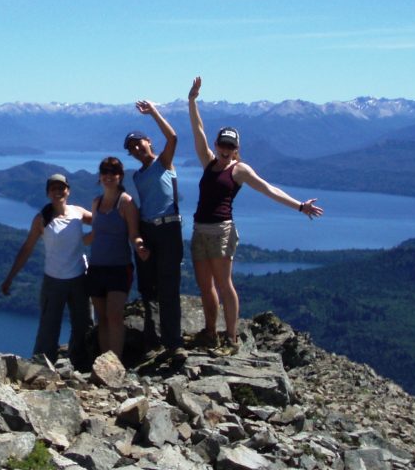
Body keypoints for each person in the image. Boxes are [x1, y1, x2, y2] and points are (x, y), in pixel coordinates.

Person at [187, 76, 324, 352]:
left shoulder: (239, 170)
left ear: (236, 150)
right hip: (200, 230)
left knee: (224, 284)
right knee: (205, 285)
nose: (225, 150)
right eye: (222, 145)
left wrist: (300, 206)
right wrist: (192, 100)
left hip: (222, 231)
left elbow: (268, 189)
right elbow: (198, 130)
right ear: (217, 145)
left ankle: (232, 338)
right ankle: (211, 333)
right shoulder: (209, 163)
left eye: (230, 147)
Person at [1, 173, 93, 368]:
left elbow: (104, 224)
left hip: (80, 278)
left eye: (61, 188)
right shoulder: (42, 219)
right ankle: (41, 369)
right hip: (54, 281)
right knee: (48, 329)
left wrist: (86, 240)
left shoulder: (78, 212)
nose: (58, 191)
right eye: (53, 188)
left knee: (83, 326)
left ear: (68, 190)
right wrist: (10, 277)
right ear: (48, 193)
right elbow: (27, 248)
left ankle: (83, 366)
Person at [124, 100, 184, 354]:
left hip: (169, 229)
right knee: (148, 287)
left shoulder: (164, 163)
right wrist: (137, 240)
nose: (137, 148)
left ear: (149, 140)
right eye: (131, 148)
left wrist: (153, 113)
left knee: (168, 286)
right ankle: (153, 340)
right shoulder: (136, 176)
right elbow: (136, 209)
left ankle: (173, 344)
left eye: (139, 142)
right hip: (148, 231)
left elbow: (173, 136)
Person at [87, 157, 149, 360]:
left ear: (120, 176)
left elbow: (134, 233)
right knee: (102, 318)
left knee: (114, 315)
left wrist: (139, 245)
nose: (108, 176)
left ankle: (116, 362)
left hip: (119, 268)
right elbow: (95, 234)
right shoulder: (96, 203)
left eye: (113, 172)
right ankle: (104, 363)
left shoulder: (126, 202)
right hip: (96, 268)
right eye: (104, 171)